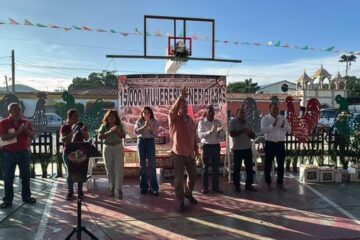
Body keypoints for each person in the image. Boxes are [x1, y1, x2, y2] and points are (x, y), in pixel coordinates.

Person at [169, 86, 199, 212]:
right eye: (182, 107)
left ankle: (188, 193)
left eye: (186, 107)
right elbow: (172, 111)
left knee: (193, 176)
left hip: (190, 154)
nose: (185, 108)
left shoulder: (191, 121)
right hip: (178, 153)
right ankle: (180, 200)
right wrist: (181, 97)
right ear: (179, 109)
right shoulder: (174, 119)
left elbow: (194, 136)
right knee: (178, 179)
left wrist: (196, 151)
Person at [0, 103, 36, 208]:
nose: (17, 112)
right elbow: (3, 137)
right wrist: (18, 132)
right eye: (15, 110)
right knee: (8, 178)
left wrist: (25, 130)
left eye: (19, 110)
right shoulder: (4, 122)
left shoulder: (25, 122)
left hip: (23, 152)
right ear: (9, 111)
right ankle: (7, 200)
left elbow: (32, 135)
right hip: (9, 153)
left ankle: (26, 197)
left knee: (25, 176)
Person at [261, 102, 291, 191]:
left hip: (280, 144)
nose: (276, 110)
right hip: (270, 144)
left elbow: (289, 130)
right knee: (268, 165)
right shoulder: (265, 119)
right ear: (269, 109)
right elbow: (263, 131)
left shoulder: (282, 118)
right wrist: (272, 126)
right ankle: (268, 183)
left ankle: (280, 182)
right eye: (274, 109)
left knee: (281, 164)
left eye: (277, 109)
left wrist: (283, 126)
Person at [60, 109, 89, 200]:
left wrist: (82, 131)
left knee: (80, 171)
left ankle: (80, 192)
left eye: (77, 116)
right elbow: (63, 139)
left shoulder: (81, 126)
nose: (77, 118)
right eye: (74, 116)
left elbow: (87, 137)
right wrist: (73, 131)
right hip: (68, 152)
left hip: (79, 153)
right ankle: (70, 192)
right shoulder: (65, 127)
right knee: (70, 172)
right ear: (69, 117)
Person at [98, 110, 126, 198]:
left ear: (116, 118)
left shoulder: (119, 125)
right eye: (109, 117)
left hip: (118, 147)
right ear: (107, 118)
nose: (111, 118)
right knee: (109, 169)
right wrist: (109, 132)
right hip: (107, 147)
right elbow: (99, 136)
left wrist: (117, 131)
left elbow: (123, 136)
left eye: (113, 117)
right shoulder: (104, 126)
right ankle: (111, 187)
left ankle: (119, 189)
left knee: (119, 169)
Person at [229, 107, 257, 192]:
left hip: (247, 148)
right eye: (241, 113)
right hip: (237, 149)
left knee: (249, 167)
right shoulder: (232, 122)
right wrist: (242, 130)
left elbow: (253, 136)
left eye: (243, 113)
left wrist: (250, 133)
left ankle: (249, 185)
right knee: (237, 168)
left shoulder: (248, 122)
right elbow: (232, 134)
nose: (242, 114)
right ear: (237, 113)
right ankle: (237, 186)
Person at [197, 105, 224, 194]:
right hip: (206, 146)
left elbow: (222, 136)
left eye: (213, 112)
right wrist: (210, 132)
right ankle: (205, 187)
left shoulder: (218, 122)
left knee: (215, 168)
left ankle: (215, 186)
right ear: (206, 113)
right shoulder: (202, 123)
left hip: (216, 146)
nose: (211, 114)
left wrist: (219, 133)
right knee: (205, 167)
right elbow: (200, 135)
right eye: (210, 112)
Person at [134, 106, 159, 196]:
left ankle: (154, 188)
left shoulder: (154, 121)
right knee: (142, 165)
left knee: (152, 165)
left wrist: (149, 126)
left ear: (150, 113)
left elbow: (154, 133)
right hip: (141, 142)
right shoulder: (139, 121)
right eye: (144, 113)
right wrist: (144, 125)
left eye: (148, 112)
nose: (146, 114)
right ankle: (143, 187)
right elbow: (136, 132)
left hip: (150, 142)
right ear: (142, 114)